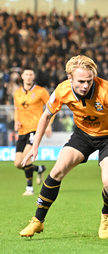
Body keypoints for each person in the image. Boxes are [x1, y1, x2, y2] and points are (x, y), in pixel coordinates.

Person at [19, 55, 108, 239]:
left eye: (89, 81)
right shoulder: (62, 90)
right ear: (70, 78)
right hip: (83, 134)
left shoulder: (107, 90)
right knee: (57, 170)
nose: (85, 85)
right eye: (81, 81)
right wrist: (35, 146)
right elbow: (45, 116)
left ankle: (106, 215)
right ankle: (37, 221)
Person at [13, 68, 53, 196]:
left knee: (27, 155)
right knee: (18, 163)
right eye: (26, 74)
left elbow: (53, 108)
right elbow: (17, 109)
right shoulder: (17, 93)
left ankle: (29, 188)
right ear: (22, 76)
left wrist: (48, 125)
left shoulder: (41, 91)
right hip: (22, 130)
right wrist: (16, 121)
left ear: (33, 76)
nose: (29, 77)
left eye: (31, 74)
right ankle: (39, 169)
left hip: (35, 128)